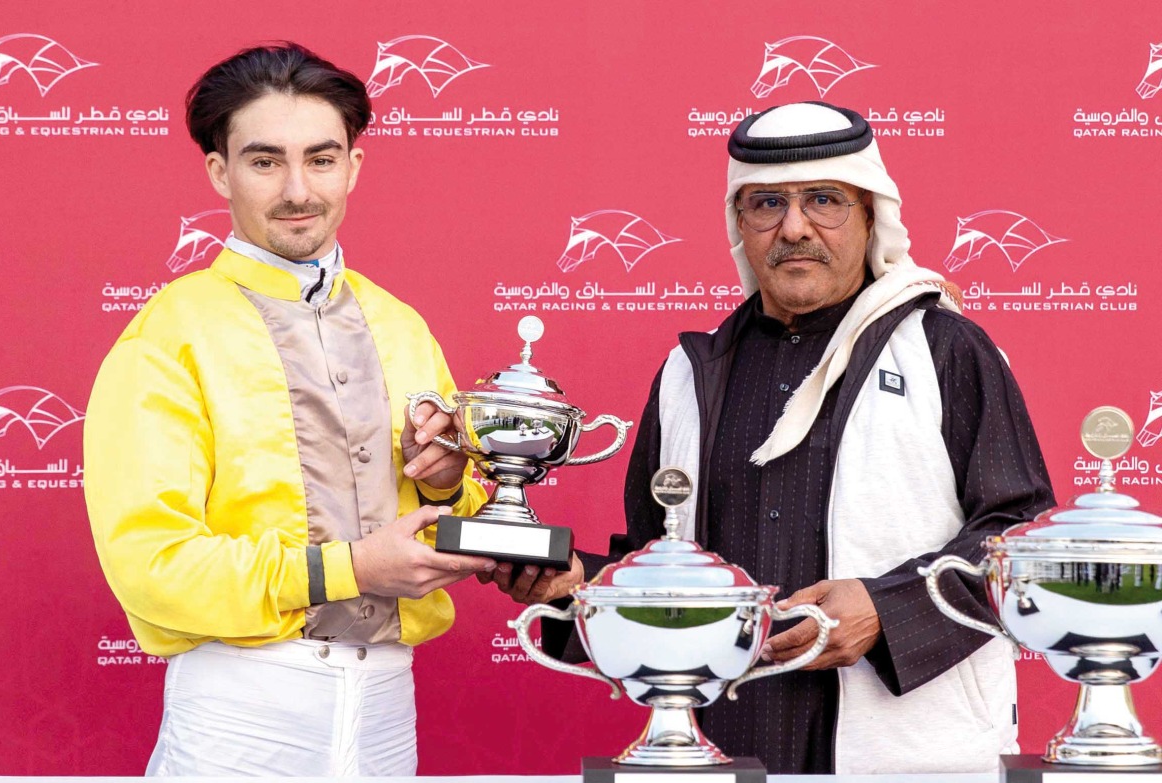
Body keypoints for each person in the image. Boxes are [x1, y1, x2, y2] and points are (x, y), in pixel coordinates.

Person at [481, 101, 1054, 775]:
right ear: (739, 224)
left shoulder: (943, 347)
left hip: (909, 746)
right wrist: (574, 585)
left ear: (870, 214)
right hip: (728, 740)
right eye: (767, 203)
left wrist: (886, 610)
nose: (795, 227)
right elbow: (660, 561)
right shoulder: (690, 374)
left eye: (824, 199)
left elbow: (1023, 536)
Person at [84, 43, 495, 777]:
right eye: (266, 161)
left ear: (354, 168)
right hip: (240, 709)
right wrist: (352, 566)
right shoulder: (168, 333)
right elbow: (151, 564)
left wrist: (443, 484)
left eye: (322, 158)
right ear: (221, 171)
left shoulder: (401, 323)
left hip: (388, 706)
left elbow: (459, 505)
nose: (299, 189)